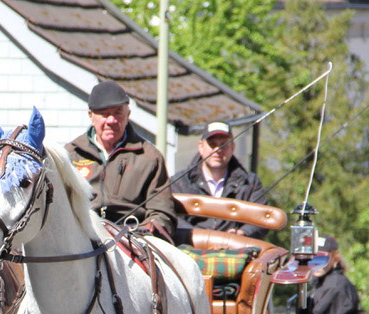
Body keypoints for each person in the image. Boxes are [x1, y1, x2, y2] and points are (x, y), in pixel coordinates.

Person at [66, 80, 176, 238]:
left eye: (118, 113)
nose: (111, 121)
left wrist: (145, 229)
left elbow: (162, 213)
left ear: (128, 114)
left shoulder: (150, 157)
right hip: (82, 237)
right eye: (104, 114)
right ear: (91, 115)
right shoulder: (70, 154)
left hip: (131, 238)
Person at [171, 121, 269, 239]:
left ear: (233, 147)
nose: (217, 150)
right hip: (189, 246)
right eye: (212, 144)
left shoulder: (250, 183)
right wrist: (199, 237)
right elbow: (170, 215)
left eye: (223, 145)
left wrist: (242, 233)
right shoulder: (179, 182)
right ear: (201, 147)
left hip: (236, 247)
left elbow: (262, 219)